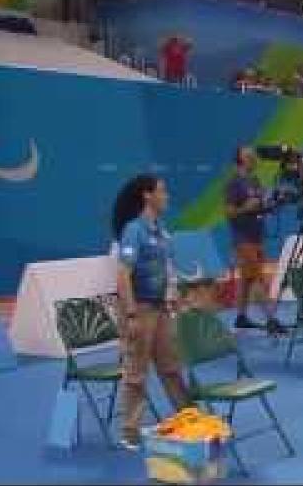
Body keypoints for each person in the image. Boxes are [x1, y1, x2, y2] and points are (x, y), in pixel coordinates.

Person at [111, 175, 191, 450]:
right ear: (147, 195)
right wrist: (131, 314)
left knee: (171, 367)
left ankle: (188, 419)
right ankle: (130, 432)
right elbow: (123, 274)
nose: (166, 195)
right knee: (136, 373)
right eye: (162, 190)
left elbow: (167, 270)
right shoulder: (134, 230)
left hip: (161, 309)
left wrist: (174, 298)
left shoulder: (160, 230)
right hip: (140, 310)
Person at [225, 146, 285, 334]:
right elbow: (229, 212)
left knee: (247, 279)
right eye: (250, 156)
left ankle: (241, 316)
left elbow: (260, 205)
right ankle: (271, 319)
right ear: (241, 160)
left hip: (257, 235)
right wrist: (245, 208)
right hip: (243, 238)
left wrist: (272, 204)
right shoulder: (234, 183)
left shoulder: (255, 180)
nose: (255, 159)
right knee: (257, 277)